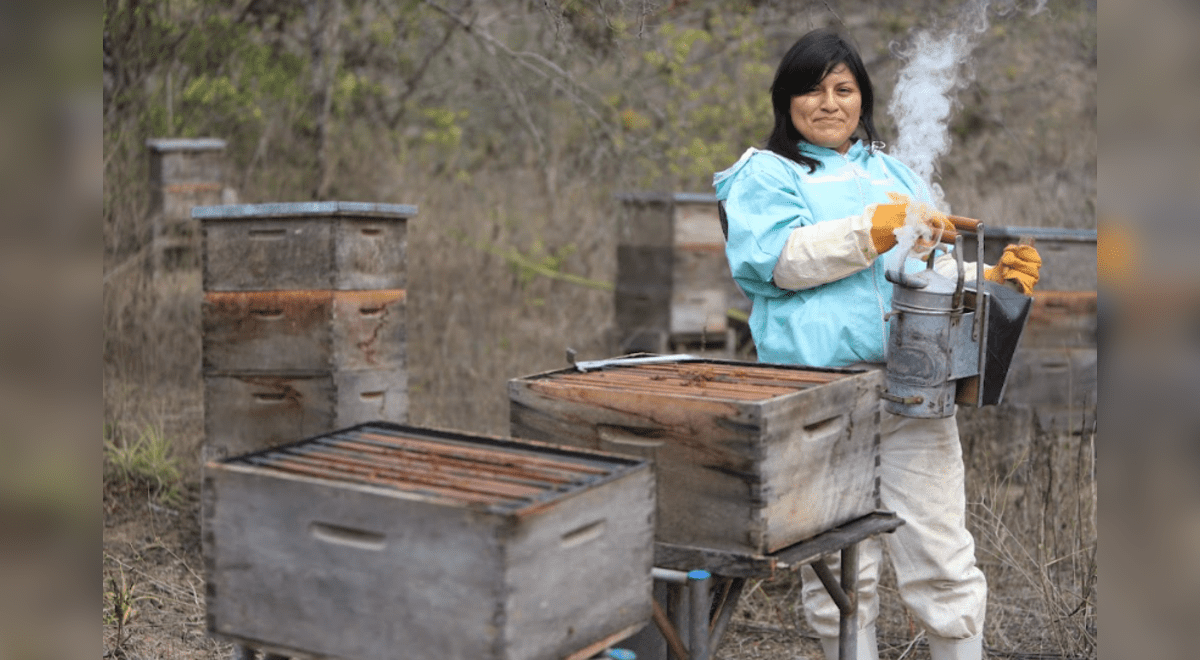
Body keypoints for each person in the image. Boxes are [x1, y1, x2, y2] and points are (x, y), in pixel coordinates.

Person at [713, 28, 1041, 660]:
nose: (828, 102)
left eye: (844, 88)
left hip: (913, 384)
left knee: (942, 549)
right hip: (815, 393)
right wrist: (870, 231)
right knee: (836, 562)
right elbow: (779, 260)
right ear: (786, 101)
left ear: (863, 98)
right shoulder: (767, 173)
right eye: (811, 89)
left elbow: (931, 271)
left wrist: (992, 279)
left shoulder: (894, 172)